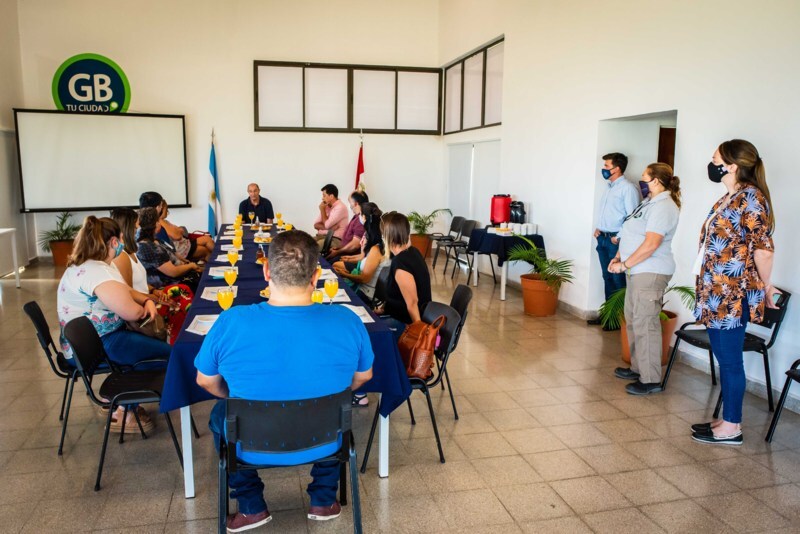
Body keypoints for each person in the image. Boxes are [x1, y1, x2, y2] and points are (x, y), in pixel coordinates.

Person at [195, 230, 374, 531]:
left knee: (221, 415)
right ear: (316, 276)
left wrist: (234, 397)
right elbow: (364, 376)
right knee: (337, 408)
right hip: (326, 440)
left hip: (251, 444)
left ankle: (251, 507)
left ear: (266, 271)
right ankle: (323, 498)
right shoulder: (348, 320)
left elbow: (204, 381)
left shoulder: (231, 321)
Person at [690, 139, 780, 446]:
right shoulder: (730, 197)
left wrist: (766, 287)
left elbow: (763, 251)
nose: (710, 163)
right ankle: (726, 418)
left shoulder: (751, 198)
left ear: (731, 165)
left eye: (715, 158)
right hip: (716, 292)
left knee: (729, 361)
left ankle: (733, 427)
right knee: (723, 355)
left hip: (732, 294)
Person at [57, 216, 171, 432]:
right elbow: (132, 312)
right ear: (113, 242)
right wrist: (146, 306)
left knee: (150, 352)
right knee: (169, 355)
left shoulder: (93, 265)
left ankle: (126, 405)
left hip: (92, 342)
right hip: (99, 345)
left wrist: (147, 299)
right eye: (120, 239)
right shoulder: (97, 272)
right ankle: (124, 412)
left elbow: (126, 291)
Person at [608, 163, 681, 395]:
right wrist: (618, 257)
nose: (642, 182)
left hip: (650, 271)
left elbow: (651, 244)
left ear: (656, 181)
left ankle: (650, 379)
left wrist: (625, 265)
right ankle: (638, 367)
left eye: (645, 179)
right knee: (633, 319)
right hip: (636, 270)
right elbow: (631, 231)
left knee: (646, 322)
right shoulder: (649, 202)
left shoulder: (664, 206)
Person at [110, 208, 194, 345]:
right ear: (127, 229)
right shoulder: (122, 258)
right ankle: (179, 345)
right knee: (180, 301)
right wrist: (153, 298)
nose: (138, 229)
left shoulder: (132, 251)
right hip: (144, 309)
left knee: (183, 290)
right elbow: (129, 293)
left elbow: (140, 282)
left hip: (149, 297)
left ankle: (184, 339)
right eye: (136, 226)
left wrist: (155, 291)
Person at [588, 152, 639, 330]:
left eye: (607, 166)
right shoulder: (610, 187)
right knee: (607, 277)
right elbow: (610, 213)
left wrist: (619, 236)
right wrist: (599, 228)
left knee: (618, 280)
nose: (603, 169)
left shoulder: (628, 188)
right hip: (602, 237)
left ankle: (619, 320)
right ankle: (609, 317)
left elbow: (633, 218)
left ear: (617, 168)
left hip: (615, 241)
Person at [375, 212, 432, 341]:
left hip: (405, 324)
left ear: (387, 236)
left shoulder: (401, 263)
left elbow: (412, 303)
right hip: (396, 317)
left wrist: (419, 335)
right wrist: (385, 308)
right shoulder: (412, 252)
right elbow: (398, 295)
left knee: (368, 334)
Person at [136, 207, 203, 292]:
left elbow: (172, 252)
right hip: (171, 286)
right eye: (158, 221)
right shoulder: (147, 247)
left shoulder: (154, 240)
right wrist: (191, 266)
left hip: (182, 273)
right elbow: (173, 272)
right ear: (155, 225)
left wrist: (186, 264)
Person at [333, 202, 389, 304]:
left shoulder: (375, 249)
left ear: (364, 217)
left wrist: (345, 274)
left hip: (366, 294)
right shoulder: (374, 242)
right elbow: (364, 257)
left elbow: (364, 279)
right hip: (364, 289)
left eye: (360, 215)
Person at [326, 191, 368, 261]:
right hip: (343, 253)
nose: (349, 205)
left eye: (349, 202)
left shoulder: (361, 220)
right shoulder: (356, 217)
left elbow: (355, 245)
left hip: (349, 257)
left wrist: (337, 252)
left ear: (355, 204)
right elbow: (348, 240)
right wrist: (338, 248)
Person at [313, 184, 348, 249]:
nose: (322, 198)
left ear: (331, 196)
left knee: (312, 248)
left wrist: (322, 210)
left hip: (334, 239)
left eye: (324, 195)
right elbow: (316, 225)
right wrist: (330, 228)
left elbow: (326, 225)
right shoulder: (326, 206)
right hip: (321, 236)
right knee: (303, 243)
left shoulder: (340, 207)